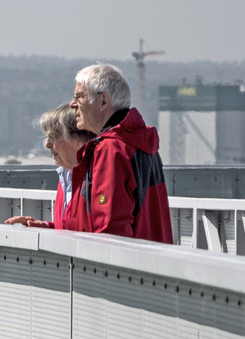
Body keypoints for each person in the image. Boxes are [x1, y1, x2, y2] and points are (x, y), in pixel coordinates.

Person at [66, 63, 173, 243]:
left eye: (79, 96)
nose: (72, 104)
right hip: (150, 259)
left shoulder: (111, 148)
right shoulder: (138, 143)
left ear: (103, 101)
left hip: (119, 266)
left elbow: (110, 230)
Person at [4, 105, 94, 230]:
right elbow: (72, 230)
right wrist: (45, 226)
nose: (47, 144)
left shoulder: (95, 178)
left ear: (80, 138)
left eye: (53, 136)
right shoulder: (66, 177)